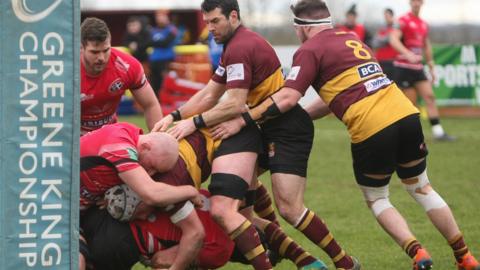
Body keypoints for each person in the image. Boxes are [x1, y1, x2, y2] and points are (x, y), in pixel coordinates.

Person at [214, 0, 480, 269]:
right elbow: (339, 95)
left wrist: (245, 119)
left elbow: (288, 97)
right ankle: (464, 255)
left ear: (303, 28)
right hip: (406, 115)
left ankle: (418, 253)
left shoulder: (309, 50)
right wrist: (304, 117)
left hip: (372, 127)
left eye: (296, 28)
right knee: (422, 188)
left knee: (377, 197)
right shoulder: (351, 38)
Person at [153, 0, 358, 269]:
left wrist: (195, 123)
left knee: (289, 209)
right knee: (237, 210)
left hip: (286, 130)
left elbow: (235, 103)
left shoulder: (241, 46)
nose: (210, 28)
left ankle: (344, 263)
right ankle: (302, 258)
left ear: (233, 16)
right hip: (263, 127)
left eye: (215, 21)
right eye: (207, 23)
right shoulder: (233, 47)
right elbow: (210, 94)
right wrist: (174, 116)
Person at [79, 122, 204, 270]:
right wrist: (191, 191)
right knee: (77, 261)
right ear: (146, 147)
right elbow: (152, 194)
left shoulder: (130, 133)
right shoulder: (119, 146)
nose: (150, 174)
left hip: (80, 211)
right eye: (152, 167)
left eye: (156, 172)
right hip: (55, 206)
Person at [81, 17, 162, 135]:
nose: (101, 58)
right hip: (73, 140)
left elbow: (151, 104)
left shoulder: (127, 66)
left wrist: (157, 141)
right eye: (94, 52)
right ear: (81, 48)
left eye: (105, 50)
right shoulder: (66, 71)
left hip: (108, 136)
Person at [389, 0, 454, 141]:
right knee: (411, 104)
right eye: (414, 1)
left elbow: (426, 46)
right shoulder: (402, 20)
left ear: (422, 3)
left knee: (430, 97)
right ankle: (409, 136)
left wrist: (431, 67)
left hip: (418, 68)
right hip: (403, 68)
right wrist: (407, 53)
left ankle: (438, 132)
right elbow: (393, 39)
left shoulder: (423, 24)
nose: (416, 3)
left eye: (419, 1)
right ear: (410, 3)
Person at [149, 10, 178, 95]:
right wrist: (156, 43)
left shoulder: (172, 29)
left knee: (166, 82)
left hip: (166, 59)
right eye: (158, 17)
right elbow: (148, 42)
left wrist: (154, 43)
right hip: (154, 60)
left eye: (162, 16)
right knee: (154, 83)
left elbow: (165, 43)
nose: (159, 19)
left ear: (167, 17)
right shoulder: (153, 30)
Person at [372, 8, 398, 80]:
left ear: (392, 16)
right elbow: (374, 43)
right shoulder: (381, 28)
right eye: (385, 16)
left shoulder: (396, 28)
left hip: (392, 61)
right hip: (380, 60)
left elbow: (388, 39)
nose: (386, 18)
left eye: (387, 16)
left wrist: (382, 39)